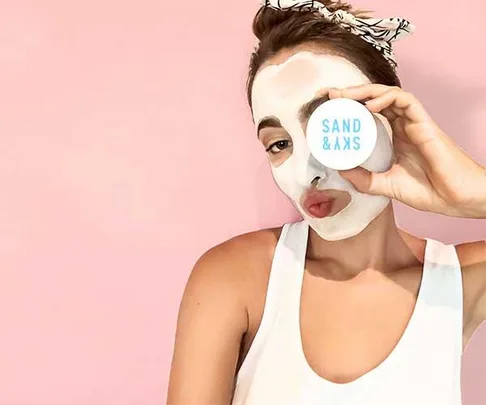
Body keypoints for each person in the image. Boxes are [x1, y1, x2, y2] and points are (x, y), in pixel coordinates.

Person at [167, 1, 486, 404]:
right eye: (279, 144)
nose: (307, 173)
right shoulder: (234, 279)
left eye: (330, 128)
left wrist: (472, 193)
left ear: (389, 118)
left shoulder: (463, 279)